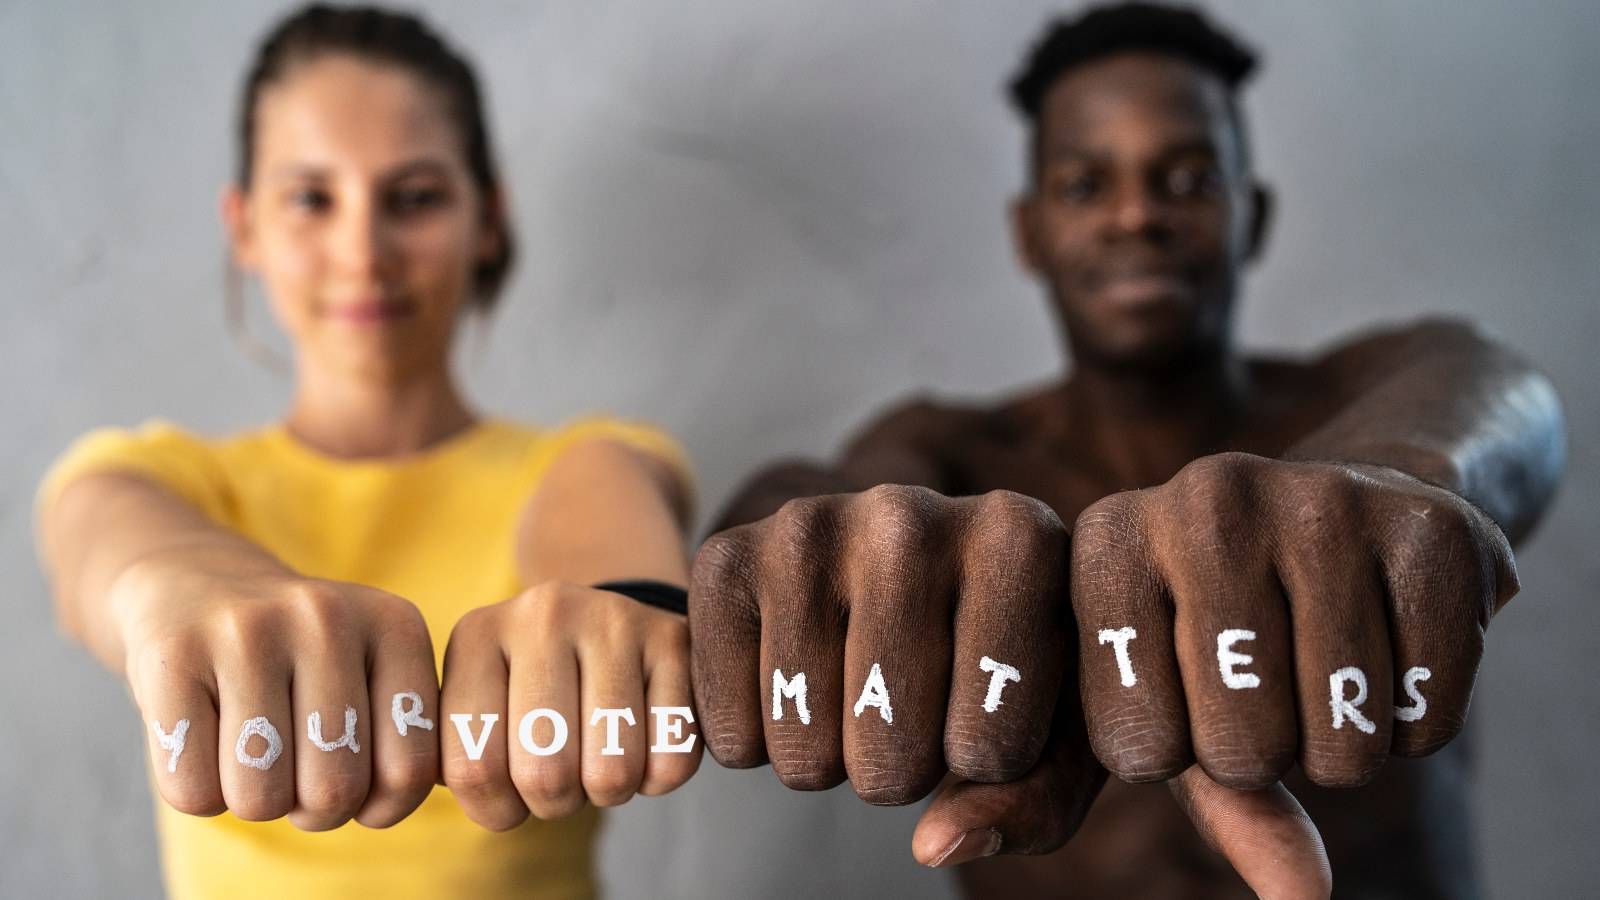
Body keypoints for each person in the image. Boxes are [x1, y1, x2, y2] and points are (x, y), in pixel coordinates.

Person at [689, 3, 1566, 897]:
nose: (1136, 215)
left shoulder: (1369, 397)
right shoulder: (952, 454)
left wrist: (1390, 481)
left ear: (1251, 215)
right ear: (1028, 231)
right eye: (1084, 185)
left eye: (1186, 180)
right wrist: (779, 555)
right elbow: (826, 506)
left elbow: (1500, 397)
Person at [34, 6, 701, 899]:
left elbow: (611, 560)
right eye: (312, 198)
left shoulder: (589, 460)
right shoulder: (165, 479)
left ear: (488, 220)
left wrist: (616, 616)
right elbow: (110, 543)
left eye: (414, 198)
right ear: (245, 229)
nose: (363, 252)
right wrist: (182, 585)